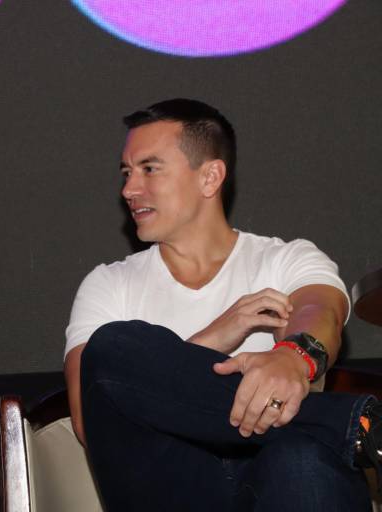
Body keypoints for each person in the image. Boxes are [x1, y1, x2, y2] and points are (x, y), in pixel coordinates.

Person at [63, 99, 381, 511]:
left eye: (149, 169)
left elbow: (320, 310)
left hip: (278, 476)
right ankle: (349, 424)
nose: (128, 189)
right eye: (126, 173)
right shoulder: (109, 284)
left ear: (210, 177)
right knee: (111, 346)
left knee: (301, 460)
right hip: (167, 485)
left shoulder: (285, 259)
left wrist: (294, 357)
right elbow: (90, 416)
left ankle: (336, 428)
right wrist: (214, 337)